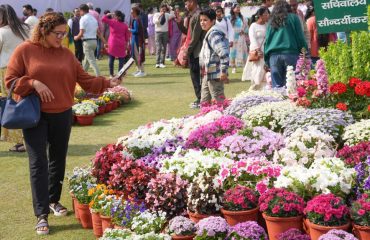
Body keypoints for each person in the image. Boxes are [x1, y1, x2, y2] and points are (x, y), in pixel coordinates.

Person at [4, 12, 122, 235]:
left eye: (64, 33)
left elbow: (85, 80)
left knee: (58, 160)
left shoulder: (66, 54)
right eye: (57, 34)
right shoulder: (25, 50)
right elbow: (10, 81)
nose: (61, 38)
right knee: (38, 162)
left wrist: (108, 82)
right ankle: (41, 214)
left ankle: (52, 200)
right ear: (44, 31)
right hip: (34, 115)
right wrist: (33, 82)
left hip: (62, 113)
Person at [0, 4, 30, 152]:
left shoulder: (2, 32)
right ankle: (28, 138)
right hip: (25, 70)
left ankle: (20, 141)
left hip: (6, 72)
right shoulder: (25, 29)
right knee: (25, 102)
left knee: (11, 105)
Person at [264, 0, 307, 88]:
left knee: (277, 87)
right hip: (290, 54)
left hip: (274, 56)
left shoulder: (271, 21)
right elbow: (300, 37)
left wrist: (266, 59)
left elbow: (267, 40)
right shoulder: (294, 18)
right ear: (288, 8)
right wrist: (305, 52)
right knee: (292, 86)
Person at [176, 0, 206, 109]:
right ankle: (200, 98)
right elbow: (188, 33)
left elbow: (195, 37)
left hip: (196, 50)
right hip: (194, 50)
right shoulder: (192, 15)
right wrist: (179, 23)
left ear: (192, 2)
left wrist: (187, 51)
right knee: (195, 75)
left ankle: (201, 99)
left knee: (196, 76)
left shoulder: (198, 15)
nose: (185, 5)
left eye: (186, 3)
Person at [199, 8, 229, 104]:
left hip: (215, 72)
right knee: (204, 101)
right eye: (201, 20)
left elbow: (223, 53)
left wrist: (224, 71)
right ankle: (205, 118)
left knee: (219, 100)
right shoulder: (210, 32)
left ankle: (226, 119)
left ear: (212, 21)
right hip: (209, 71)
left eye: (205, 20)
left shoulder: (213, 34)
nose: (202, 23)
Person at [74, 4, 106, 76]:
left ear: (82, 10)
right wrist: (105, 42)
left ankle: (99, 77)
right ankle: (81, 76)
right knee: (87, 60)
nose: (79, 13)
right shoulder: (94, 19)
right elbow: (98, 33)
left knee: (92, 61)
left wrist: (76, 37)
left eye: (79, 11)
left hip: (87, 42)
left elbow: (81, 33)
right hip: (94, 41)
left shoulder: (83, 19)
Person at [242, 7, 270, 90]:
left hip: (265, 50)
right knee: (257, 69)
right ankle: (254, 88)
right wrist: (258, 50)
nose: (267, 16)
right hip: (256, 51)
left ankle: (264, 89)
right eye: (265, 14)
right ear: (260, 16)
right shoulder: (253, 26)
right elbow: (252, 39)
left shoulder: (267, 25)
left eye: (268, 14)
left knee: (265, 70)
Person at [102, 11, 130, 77]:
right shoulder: (125, 25)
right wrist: (126, 44)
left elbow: (103, 19)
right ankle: (119, 74)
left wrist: (108, 14)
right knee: (121, 59)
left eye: (115, 15)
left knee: (111, 59)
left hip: (112, 43)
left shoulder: (113, 22)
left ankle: (111, 74)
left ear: (118, 17)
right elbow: (127, 37)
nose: (113, 16)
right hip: (121, 43)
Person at [228, 4, 249, 74]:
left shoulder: (243, 18)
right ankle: (234, 67)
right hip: (233, 38)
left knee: (243, 51)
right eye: (236, 7)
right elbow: (228, 28)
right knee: (233, 52)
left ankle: (244, 67)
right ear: (233, 9)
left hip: (241, 37)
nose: (238, 9)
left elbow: (246, 27)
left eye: (239, 7)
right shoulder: (229, 18)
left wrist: (244, 31)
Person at [130, 6, 146, 77]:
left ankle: (142, 71)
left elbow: (136, 31)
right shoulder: (136, 19)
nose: (131, 13)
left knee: (138, 56)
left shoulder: (137, 20)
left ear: (135, 12)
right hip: (134, 39)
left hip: (137, 40)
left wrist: (129, 29)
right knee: (135, 56)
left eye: (132, 12)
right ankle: (138, 70)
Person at [305, 1, 319, 66]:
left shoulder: (310, 20)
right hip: (327, 50)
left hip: (314, 52)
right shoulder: (326, 19)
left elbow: (308, 37)